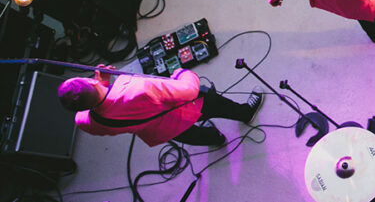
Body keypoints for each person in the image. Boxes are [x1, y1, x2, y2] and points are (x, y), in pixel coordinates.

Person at [58, 65, 263, 147]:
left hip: (160, 130)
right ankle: (246, 114)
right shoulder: (137, 86)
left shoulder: (84, 121)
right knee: (217, 104)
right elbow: (188, 90)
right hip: (185, 108)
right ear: (91, 81)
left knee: (194, 136)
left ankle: (217, 139)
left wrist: (102, 84)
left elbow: (94, 105)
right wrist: (182, 73)